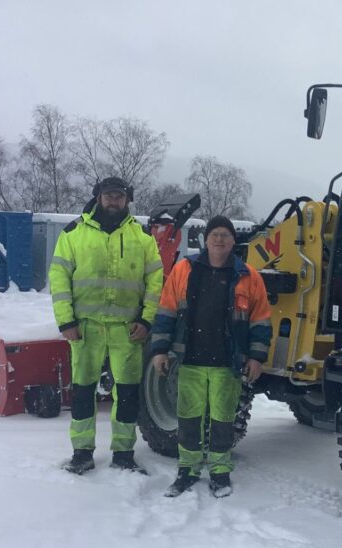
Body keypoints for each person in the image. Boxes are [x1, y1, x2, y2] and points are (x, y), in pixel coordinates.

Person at [150, 215, 272, 498]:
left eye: (225, 235)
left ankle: (220, 472)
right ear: (205, 239)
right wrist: (159, 350)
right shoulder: (185, 269)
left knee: (223, 420)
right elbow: (166, 312)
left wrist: (256, 357)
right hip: (190, 359)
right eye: (214, 234)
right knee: (188, 418)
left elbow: (261, 320)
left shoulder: (248, 276)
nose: (219, 239)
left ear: (233, 241)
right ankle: (187, 470)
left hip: (227, 363)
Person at [49, 177, 164, 475]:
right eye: (108, 195)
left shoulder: (142, 237)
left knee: (127, 392)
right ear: (98, 197)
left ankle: (123, 454)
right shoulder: (74, 233)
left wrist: (146, 319)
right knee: (83, 390)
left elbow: (155, 282)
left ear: (127, 200)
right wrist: (66, 320)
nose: (114, 201)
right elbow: (59, 279)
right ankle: (82, 453)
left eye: (119, 196)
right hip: (85, 328)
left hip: (128, 329)